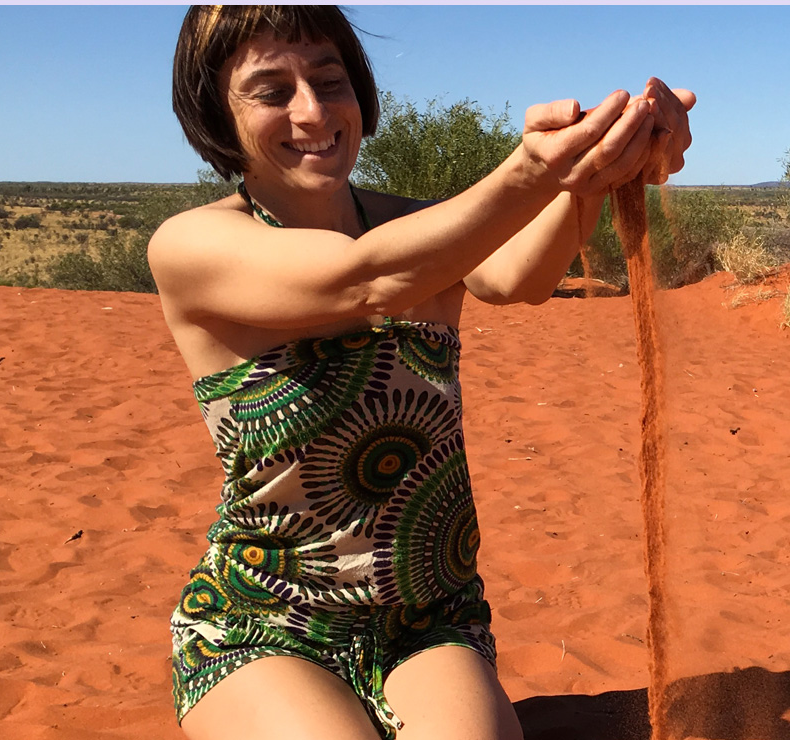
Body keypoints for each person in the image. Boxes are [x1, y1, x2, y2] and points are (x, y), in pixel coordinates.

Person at [149, 6, 694, 739]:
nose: (312, 110)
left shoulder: (419, 227)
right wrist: (532, 167)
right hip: (265, 620)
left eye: (329, 79)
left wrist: (595, 168)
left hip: (428, 618)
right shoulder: (191, 245)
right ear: (217, 113)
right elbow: (361, 281)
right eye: (271, 90)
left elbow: (515, 277)